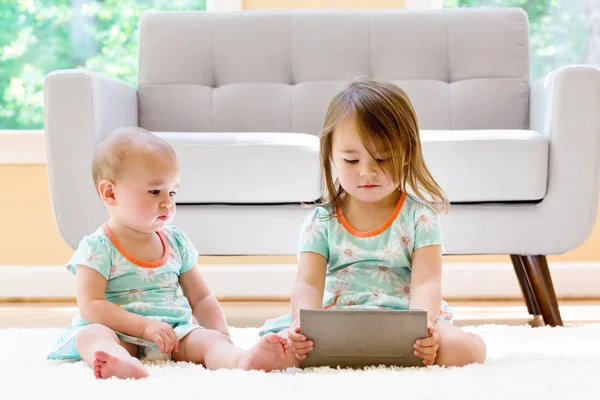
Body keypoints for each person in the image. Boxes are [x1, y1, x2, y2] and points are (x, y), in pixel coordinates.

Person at [259, 77, 487, 368]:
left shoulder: (420, 217)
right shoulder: (320, 221)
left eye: (383, 158)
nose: (367, 172)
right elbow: (307, 284)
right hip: (338, 319)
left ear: (406, 154)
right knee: (280, 349)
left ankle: (475, 341)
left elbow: (427, 282)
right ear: (331, 156)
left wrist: (425, 328)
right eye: (352, 161)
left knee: (459, 350)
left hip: (404, 321)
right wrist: (301, 325)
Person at [47, 127, 289, 379]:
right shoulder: (97, 247)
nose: (167, 202)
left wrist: (220, 334)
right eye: (155, 191)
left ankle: (241, 359)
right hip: (118, 330)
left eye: (172, 192)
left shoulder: (176, 242)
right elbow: (92, 306)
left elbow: (201, 298)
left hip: (173, 333)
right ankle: (117, 360)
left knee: (208, 341)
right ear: (110, 192)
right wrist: (144, 327)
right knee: (91, 335)